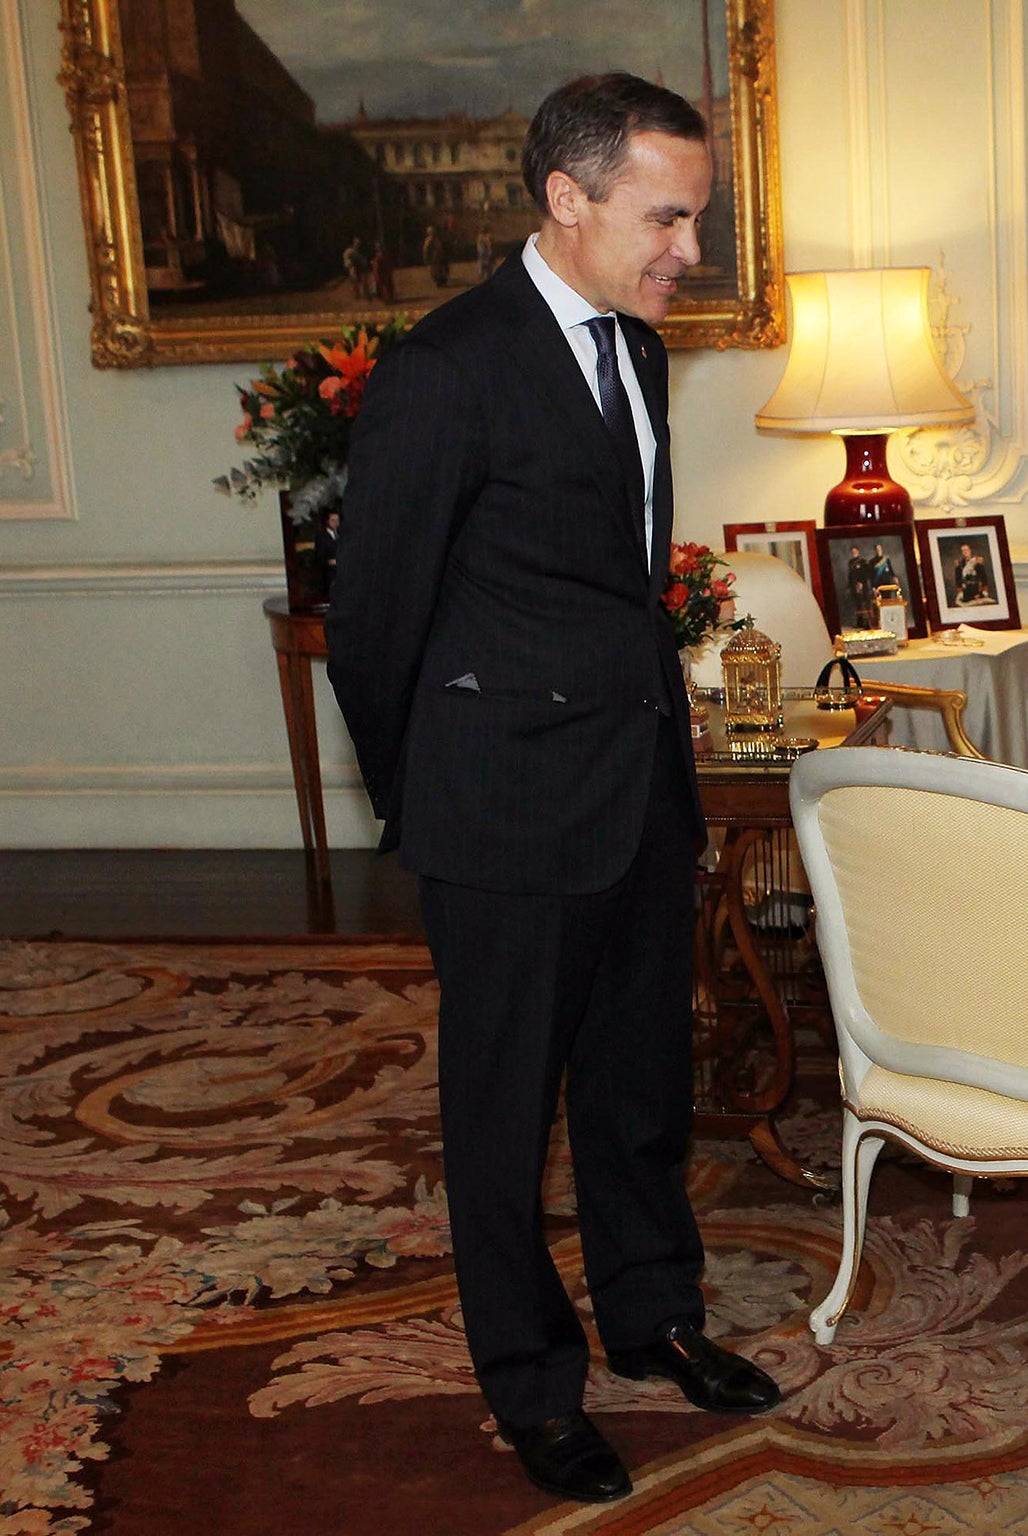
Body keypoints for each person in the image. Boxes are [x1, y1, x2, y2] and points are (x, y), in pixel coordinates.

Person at [325, 73, 782, 1507]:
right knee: (502, 1114)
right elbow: (373, 619)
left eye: (694, 221)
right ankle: (533, 1384)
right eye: (665, 218)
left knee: (643, 1080)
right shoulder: (448, 368)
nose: (685, 253)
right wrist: (435, 798)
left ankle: (656, 1318)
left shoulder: (637, 354)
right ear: (567, 202)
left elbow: (615, 584)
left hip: (638, 785)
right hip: (502, 811)